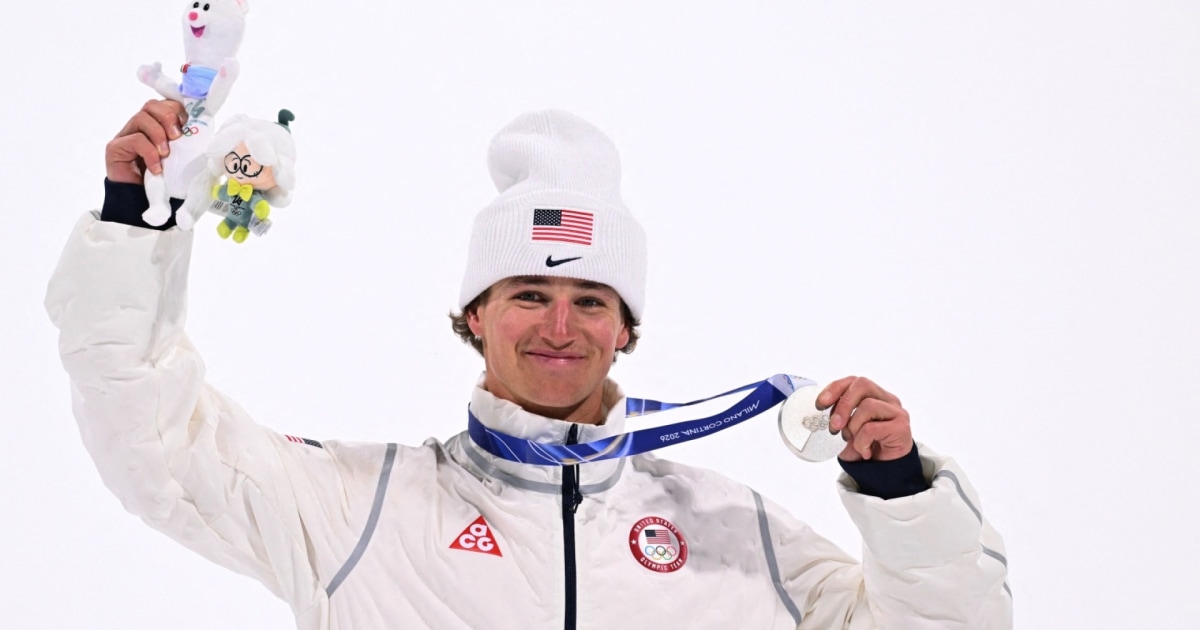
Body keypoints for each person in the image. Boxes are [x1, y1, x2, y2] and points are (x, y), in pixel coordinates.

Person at [46, 100, 1012, 629]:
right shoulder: (358, 510)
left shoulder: (728, 530)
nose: (560, 325)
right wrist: (136, 222)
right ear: (474, 315)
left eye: (591, 299)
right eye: (527, 294)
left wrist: (898, 491)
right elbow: (154, 441)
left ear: (626, 328)